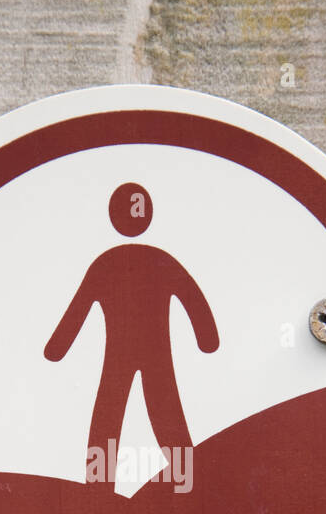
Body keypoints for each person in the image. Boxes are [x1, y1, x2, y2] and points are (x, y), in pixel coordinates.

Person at [44, 182, 220, 459]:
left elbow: (77, 312)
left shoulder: (107, 263)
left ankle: (99, 482)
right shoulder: (158, 260)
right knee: (162, 412)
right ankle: (184, 478)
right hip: (153, 355)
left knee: (111, 414)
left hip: (123, 355)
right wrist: (207, 340)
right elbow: (193, 302)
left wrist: (56, 349)